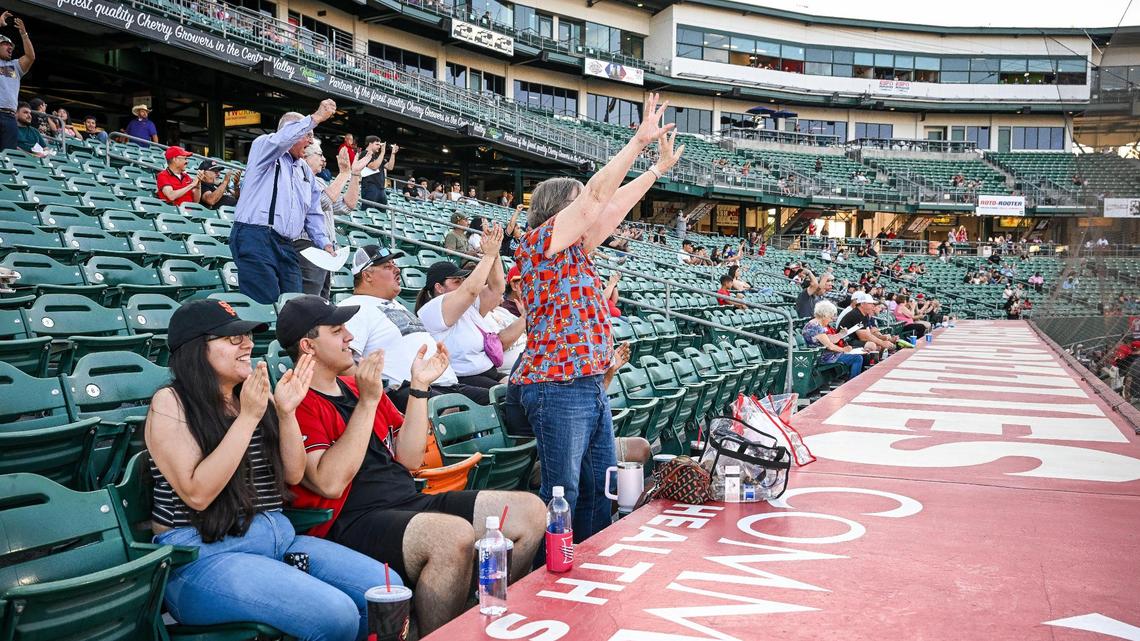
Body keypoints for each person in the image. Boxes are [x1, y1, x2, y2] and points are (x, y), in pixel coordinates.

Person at [276, 295, 544, 635]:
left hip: (407, 499)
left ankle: (473, 616)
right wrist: (369, 402)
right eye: (337, 330)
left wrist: (419, 388)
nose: (349, 337)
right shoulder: (298, 402)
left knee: (531, 512)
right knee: (451, 537)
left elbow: (410, 458)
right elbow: (329, 483)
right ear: (307, 346)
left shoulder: (356, 387)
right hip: (351, 520)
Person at [144, 299, 393, 640]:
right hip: (203, 556)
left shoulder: (255, 397)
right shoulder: (170, 402)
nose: (247, 343)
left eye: (247, 335)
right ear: (196, 349)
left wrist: (286, 412)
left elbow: (292, 474)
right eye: (233, 338)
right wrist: (247, 418)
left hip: (276, 539)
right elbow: (197, 494)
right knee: (336, 616)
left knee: (384, 590)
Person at [513, 93, 683, 542]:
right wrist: (637, 142)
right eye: (577, 205)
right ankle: (555, 573)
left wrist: (656, 169)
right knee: (565, 490)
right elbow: (596, 197)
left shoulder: (578, 252)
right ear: (556, 211)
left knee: (597, 490)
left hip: (588, 383)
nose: (591, 210)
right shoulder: (538, 246)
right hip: (556, 386)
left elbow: (612, 205)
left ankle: (589, 566)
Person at [341, 245, 496, 411]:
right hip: (411, 392)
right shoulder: (353, 307)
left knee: (504, 401)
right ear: (367, 275)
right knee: (461, 414)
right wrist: (377, 402)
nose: (397, 269)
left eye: (395, 264)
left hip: (447, 385)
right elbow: (343, 362)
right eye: (387, 266)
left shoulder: (396, 305)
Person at [229, 99, 338, 304]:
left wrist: (324, 243)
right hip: (255, 234)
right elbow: (281, 141)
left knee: (294, 303)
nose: (309, 143)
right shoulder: (264, 147)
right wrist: (315, 118)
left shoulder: (304, 169)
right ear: (291, 131)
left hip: (286, 243)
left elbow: (313, 211)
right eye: (307, 135)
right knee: (265, 302)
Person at [415, 234, 527, 388]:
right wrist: (488, 255)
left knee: (521, 389)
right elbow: (470, 290)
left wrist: (495, 253)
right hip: (466, 378)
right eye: (456, 281)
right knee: (512, 395)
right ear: (439, 287)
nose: (462, 284)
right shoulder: (432, 308)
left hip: (490, 371)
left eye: (462, 281)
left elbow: (497, 288)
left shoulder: (469, 306)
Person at [296, 141, 373, 298]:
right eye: (320, 154)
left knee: (322, 301)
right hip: (307, 248)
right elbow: (322, 201)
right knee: (311, 302)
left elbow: (347, 205)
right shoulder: (299, 177)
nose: (324, 159)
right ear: (304, 156)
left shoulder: (320, 181)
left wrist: (355, 174)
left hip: (325, 250)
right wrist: (344, 173)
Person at [803, 300, 863, 378]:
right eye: (830, 317)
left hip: (821, 355)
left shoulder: (812, 324)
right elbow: (830, 346)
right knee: (857, 358)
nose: (831, 320)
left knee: (856, 355)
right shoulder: (816, 326)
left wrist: (841, 336)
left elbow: (829, 341)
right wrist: (844, 350)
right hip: (822, 357)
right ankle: (853, 383)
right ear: (825, 315)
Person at [0, 12, 32, 151]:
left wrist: (24, 34)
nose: (10, 47)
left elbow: (30, 57)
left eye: (11, 45)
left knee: (8, 154)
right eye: (6, 44)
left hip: (9, 117)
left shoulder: (15, 66)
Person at [360, 137, 397, 206]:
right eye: (377, 144)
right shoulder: (364, 153)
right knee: (368, 210)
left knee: (383, 213)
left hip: (381, 188)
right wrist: (382, 152)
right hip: (369, 187)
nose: (379, 146)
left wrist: (393, 154)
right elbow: (374, 167)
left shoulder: (378, 156)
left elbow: (390, 167)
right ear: (370, 144)